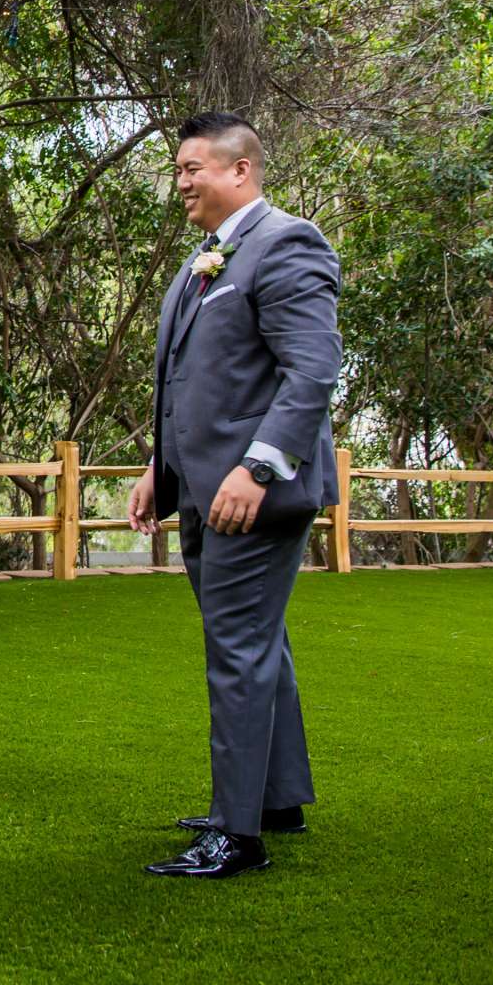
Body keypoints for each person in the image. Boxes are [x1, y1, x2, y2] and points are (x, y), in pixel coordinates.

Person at [126, 112, 342, 878]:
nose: (181, 181)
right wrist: (162, 464)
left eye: (193, 168)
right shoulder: (207, 258)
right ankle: (272, 799)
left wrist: (257, 469)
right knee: (259, 643)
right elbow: (195, 381)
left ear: (241, 170)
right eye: (178, 169)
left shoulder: (287, 243)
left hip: (253, 492)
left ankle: (235, 835)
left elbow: (311, 371)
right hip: (202, 487)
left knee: (238, 650)